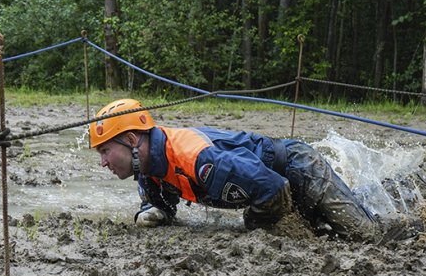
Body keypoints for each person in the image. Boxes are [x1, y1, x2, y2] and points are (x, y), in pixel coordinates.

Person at [89, 98, 381, 240]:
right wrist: (151, 211)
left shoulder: (198, 158)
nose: (103, 162)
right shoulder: (147, 166)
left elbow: (273, 187)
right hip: (276, 181)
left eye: (105, 151)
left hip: (300, 169)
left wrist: (254, 222)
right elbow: (157, 203)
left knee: (367, 236)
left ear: (130, 140)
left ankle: (397, 193)